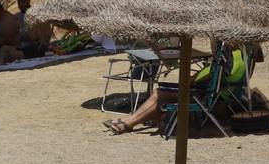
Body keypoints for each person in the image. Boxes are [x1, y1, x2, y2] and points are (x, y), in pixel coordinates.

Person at [104, 43, 249, 135]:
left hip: (204, 97)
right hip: (217, 96)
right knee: (162, 96)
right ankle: (130, 121)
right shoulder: (240, 59)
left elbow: (193, 80)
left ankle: (128, 123)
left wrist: (195, 74)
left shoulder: (226, 59)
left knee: (159, 93)